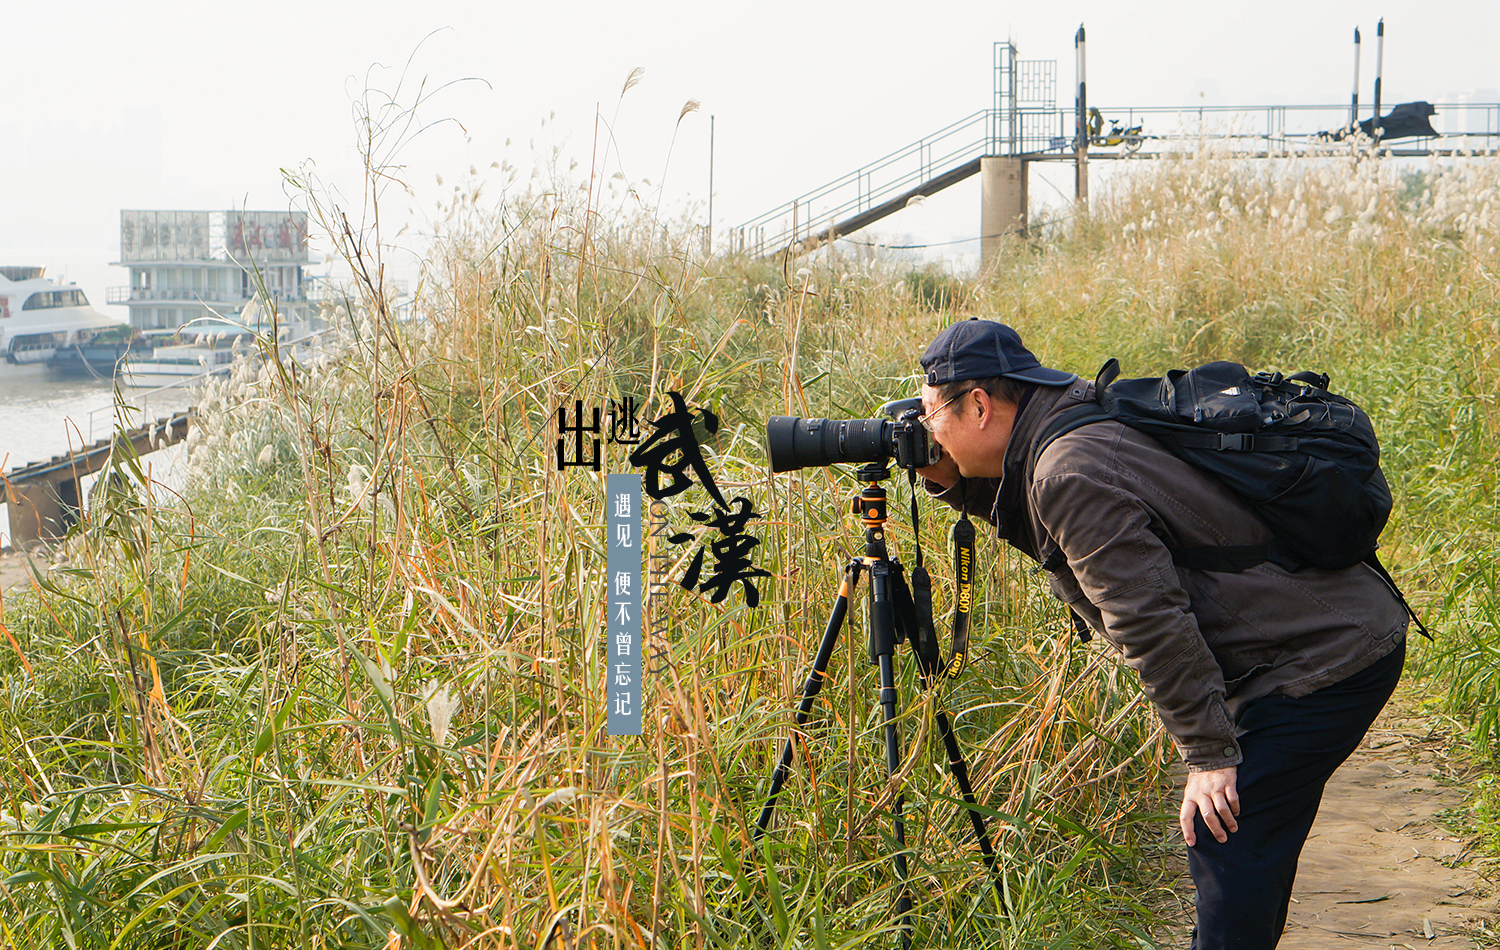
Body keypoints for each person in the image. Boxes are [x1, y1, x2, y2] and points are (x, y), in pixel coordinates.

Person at [913, 317, 1408, 949]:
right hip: (1314, 630)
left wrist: (1208, 753)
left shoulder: (1066, 469)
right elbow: (1061, 533)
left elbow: (1149, 618)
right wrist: (961, 489)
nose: (927, 433)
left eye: (931, 416)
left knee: (1225, 834)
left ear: (978, 405)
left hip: (1326, 652)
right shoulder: (1068, 424)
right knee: (1241, 839)